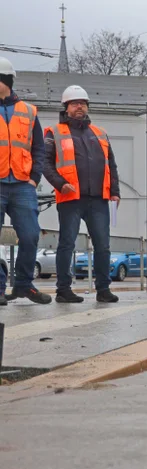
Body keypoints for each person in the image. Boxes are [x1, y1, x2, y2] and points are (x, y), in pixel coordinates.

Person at [41, 85, 120, 303]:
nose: (79, 107)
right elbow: (44, 163)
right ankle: (63, 290)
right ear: (66, 107)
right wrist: (60, 184)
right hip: (70, 198)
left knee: (103, 245)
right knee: (67, 243)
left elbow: (111, 165)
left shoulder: (100, 133)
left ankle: (103, 290)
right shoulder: (53, 132)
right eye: (75, 103)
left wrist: (115, 192)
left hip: (99, 199)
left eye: (83, 103)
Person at [0, 57, 51, 305]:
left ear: (5, 80)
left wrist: (34, 179)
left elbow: (38, 148)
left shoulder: (29, 112)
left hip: (22, 185)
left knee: (30, 235)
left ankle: (23, 285)